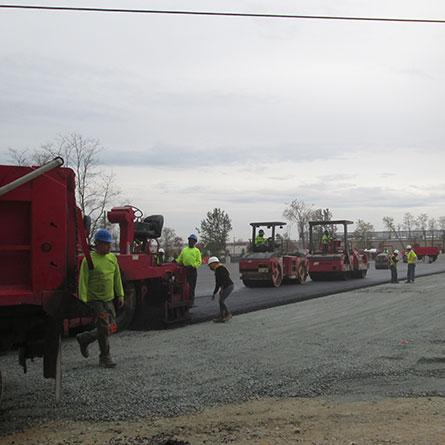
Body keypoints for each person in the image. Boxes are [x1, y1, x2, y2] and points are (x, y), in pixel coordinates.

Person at [76, 229, 124, 368]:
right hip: (95, 300)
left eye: (110, 244)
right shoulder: (89, 260)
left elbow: (117, 278)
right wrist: (83, 300)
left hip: (109, 299)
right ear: (97, 244)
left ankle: (85, 338)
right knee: (103, 327)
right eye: (105, 244)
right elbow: (83, 281)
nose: (109, 247)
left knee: (112, 327)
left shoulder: (112, 258)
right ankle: (105, 357)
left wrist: (120, 295)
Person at [208, 256, 234, 323]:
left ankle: (228, 314)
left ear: (214, 263)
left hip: (228, 286)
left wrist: (222, 287)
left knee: (221, 301)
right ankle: (222, 316)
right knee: (220, 301)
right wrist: (214, 293)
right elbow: (218, 283)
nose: (210, 267)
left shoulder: (220, 269)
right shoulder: (218, 269)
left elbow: (224, 279)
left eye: (210, 265)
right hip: (226, 286)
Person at [176, 234, 202, 299]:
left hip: (192, 270)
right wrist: (175, 261)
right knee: (183, 284)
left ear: (195, 242)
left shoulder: (196, 251)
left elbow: (199, 261)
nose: (191, 242)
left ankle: (191, 298)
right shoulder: (184, 250)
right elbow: (180, 259)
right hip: (185, 269)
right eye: (190, 240)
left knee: (192, 285)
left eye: (192, 241)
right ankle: (184, 297)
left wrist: (193, 265)